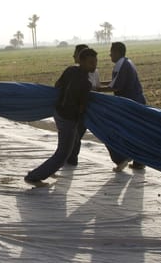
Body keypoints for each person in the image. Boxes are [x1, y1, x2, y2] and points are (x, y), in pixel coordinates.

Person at [24, 48, 98, 185]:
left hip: (58, 113)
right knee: (63, 154)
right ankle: (33, 177)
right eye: (90, 63)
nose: (94, 66)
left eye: (95, 62)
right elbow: (82, 108)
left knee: (63, 151)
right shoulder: (86, 84)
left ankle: (44, 172)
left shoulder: (70, 70)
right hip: (69, 118)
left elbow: (57, 85)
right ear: (81, 61)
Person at [98, 41, 146, 171]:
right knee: (136, 132)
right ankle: (138, 161)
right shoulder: (125, 63)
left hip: (131, 103)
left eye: (111, 52)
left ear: (117, 52)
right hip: (134, 102)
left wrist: (96, 89)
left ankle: (124, 157)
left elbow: (116, 86)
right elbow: (115, 82)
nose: (110, 55)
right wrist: (98, 84)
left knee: (124, 131)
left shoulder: (122, 65)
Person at [66, 44, 101, 166]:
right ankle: (70, 158)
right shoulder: (74, 72)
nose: (73, 56)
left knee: (75, 135)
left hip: (77, 111)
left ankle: (70, 158)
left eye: (75, 54)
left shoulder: (74, 72)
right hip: (80, 110)